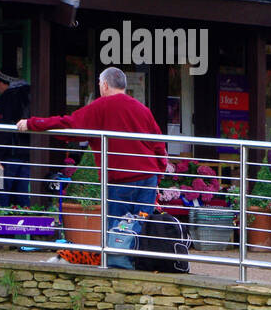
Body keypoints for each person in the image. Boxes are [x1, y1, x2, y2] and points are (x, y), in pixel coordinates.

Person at [21, 67, 167, 266]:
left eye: (99, 84)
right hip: (147, 176)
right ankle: (142, 263)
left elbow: (69, 125)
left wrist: (33, 123)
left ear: (105, 85)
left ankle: (119, 264)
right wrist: (158, 173)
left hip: (120, 178)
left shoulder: (102, 106)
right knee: (143, 224)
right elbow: (159, 144)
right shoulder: (142, 109)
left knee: (117, 225)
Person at [0, 71, 32, 207]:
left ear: (2, 82)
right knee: (23, 194)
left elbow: (2, 129)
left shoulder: (6, 97)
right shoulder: (31, 93)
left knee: (0, 190)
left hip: (9, 152)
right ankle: (27, 223)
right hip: (29, 151)